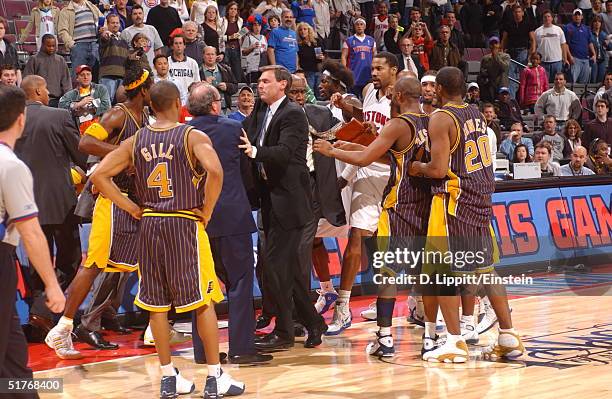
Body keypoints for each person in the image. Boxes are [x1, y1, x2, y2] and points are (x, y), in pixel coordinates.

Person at [91, 80, 244, 398]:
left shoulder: (136, 140)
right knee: (202, 301)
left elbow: (99, 176)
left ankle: (167, 377)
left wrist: (132, 207)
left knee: (156, 305)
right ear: (177, 103)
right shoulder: (192, 135)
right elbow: (215, 171)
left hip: (149, 225)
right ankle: (215, 377)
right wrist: (208, 209)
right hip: (184, 223)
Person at [411, 66, 524, 363]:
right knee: (486, 270)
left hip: (454, 201)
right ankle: (509, 336)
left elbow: (436, 170)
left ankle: (453, 342)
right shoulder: (475, 112)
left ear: (438, 89)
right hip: (481, 199)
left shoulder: (440, 118)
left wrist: (417, 167)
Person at [314, 76, 432, 356]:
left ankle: (386, 338)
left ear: (400, 94)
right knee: (423, 267)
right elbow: (380, 152)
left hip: (396, 200)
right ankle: (432, 334)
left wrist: (332, 150)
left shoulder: (398, 124)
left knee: (388, 272)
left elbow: (370, 156)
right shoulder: (431, 121)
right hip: (422, 202)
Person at [46, 63, 152, 359]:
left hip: (132, 200)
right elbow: (86, 142)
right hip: (111, 199)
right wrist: (122, 154)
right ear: (143, 89)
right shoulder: (118, 113)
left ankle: (157, 325)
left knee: (150, 260)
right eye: (153, 84)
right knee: (92, 265)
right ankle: (64, 327)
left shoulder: (144, 115)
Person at [239, 65, 327, 349]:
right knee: (281, 269)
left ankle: (288, 331)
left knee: (278, 268)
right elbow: (244, 134)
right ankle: (310, 324)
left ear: (282, 85)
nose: (259, 86)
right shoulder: (261, 111)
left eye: (265, 81)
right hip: (269, 199)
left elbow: (285, 153)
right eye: (259, 81)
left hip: (292, 202)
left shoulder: (293, 114)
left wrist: (254, 152)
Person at [187, 83, 271, 365]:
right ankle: (242, 349)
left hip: (194, 220)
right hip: (232, 215)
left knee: (201, 289)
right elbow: (248, 173)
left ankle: (203, 352)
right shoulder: (233, 129)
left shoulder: (181, 133)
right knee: (240, 282)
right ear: (215, 104)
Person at [0, 84, 66, 399]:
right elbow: (31, 232)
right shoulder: (11, 166)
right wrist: (52, 286)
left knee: (14, 365)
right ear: (21, 120)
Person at [325, 52, 397, 333]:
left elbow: (393, 140)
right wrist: (348, 109)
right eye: (373, 67)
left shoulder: (402, 96)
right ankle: (343, 307)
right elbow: (367, 125)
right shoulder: (368, 90)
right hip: (367, 170)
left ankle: (416, 302)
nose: (374, 72)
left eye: (380, 68)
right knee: (356, 236)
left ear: (394, 69)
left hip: (392, 174)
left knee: (399, 245)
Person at [14, 75, 85, 337]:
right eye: (45, 89)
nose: (48, 93)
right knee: (71, 259)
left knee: (36, 261)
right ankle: (43, 310)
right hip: (60, 201)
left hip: (24, 201)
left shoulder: (12, 120)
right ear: (37, 91)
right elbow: (81, 153)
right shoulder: (58, 116)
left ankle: (41, 313)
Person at [23, 34, 71, 108]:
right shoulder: (34, 59)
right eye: (49, 46)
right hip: (38, 101)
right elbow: (28, 81)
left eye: (53, 46)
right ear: (42, 45)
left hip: (57, 100)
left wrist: (68, 99)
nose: (51, 48)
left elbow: (66, 82)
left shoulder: (60, 60)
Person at [57, 0, 102, 77]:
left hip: (95, 44)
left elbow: (102, 19)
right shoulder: (65, 10)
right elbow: (62, 30)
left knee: (95, 75)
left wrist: (103, 29)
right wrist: (72, 45)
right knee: (78, 76)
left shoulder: (91, 6)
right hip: (79, 46)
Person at [501, 4, 536, 99]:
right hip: (510, 52)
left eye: (519, 12)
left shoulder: (528, 24)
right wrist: (502, 51)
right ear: (513, 13)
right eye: (515, 12)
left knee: (523, 78)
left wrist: (532, 53)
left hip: (523, 52)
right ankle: (512, 101)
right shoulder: (508, 25)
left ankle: (524, 100)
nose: (517, 14)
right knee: (511, 78)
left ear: (523, 13)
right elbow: (504, 39)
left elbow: (533, 40)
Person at [121, 4, 164, 71]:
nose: (138, 16)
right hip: (134, 71)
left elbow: (158, 51)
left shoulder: (152, 29)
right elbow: (122, 54)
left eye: (140, 13)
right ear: (131, 16)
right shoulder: (126, 32)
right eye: (135, 14)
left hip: (151, 70)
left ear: (143, 15)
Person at [99, 14, 130, 103]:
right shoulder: (105, 37)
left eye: (117, 23)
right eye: (113, 23)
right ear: (107, 24)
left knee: (121, 104)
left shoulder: (123, 39)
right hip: (108, 75)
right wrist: (104, 33)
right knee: (106, 103)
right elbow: (104, 38)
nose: (115, 25)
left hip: (122, 75)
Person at [342, 18, 376, 96]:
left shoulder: (371, 40)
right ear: (354, 26)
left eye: (361, 24)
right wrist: (344, 72)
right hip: (354, 74)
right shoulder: (348, 40)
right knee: (353, 100)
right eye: (357, 24)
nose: (359, 26)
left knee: (367, 100)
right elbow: (343, 56)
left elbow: (375, 56)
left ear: (365, 26)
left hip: (368, 75)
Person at [199, 46, 238, 111]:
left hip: (224, 109)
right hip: (206, 110)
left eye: (212, 54)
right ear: (203, 56)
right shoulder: (198, 71)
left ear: (216, 56)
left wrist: (227, 86)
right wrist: (204, 85)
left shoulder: (226, 70)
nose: (210, 57)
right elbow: (194, 91)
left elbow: (235, 87)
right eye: (208, 54)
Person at [564, 9, 596, 84]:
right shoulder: (568, 27)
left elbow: (590, 42)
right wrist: (570, 56)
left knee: (584, 84)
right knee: (572, 83)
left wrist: (594, 54)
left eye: (579, 15)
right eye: (575, 15)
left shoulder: (586, 28)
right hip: (574, 59)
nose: (577, 17)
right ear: (572, 16)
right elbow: (565, 44)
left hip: (586, 59)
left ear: (582, 17)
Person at [535, 9, 568, 82]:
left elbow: (563, 44)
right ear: (542, 18)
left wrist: (565, 59)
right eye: (545, 17)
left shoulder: (558, 29)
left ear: (552, 18)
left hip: (557, 62)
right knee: (544, 84)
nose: (547, 18)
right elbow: (535, 47)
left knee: (557, 83)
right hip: (543, 62)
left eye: (548, 16)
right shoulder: (537, 31)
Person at [167, 34, 200, 104]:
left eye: (180, 43)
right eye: (176, 43)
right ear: (172, 46)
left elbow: (197, 83)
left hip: (189, 100)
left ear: (184, 46)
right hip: (172, 99)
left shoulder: (192, 63)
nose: (178, 46)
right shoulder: (166, 62)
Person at [478, 36, 510, 103]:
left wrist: (496, 56)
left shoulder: (506, 56)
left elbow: (504, 67)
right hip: (490, 86)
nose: (494, 45)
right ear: (489, 45)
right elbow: (482, 72)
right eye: (492, 44)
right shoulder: (485, 58)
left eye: (496, 43)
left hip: (502, 85)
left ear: (499, 45)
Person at [220, 2, 244, 82]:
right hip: (226, 49)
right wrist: (229, 37)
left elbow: (244, 30)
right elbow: (219, 37)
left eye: (235, 9)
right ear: (227, 10)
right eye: (231, 9)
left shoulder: (240, 20)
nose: (233, 11)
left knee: (237, 71)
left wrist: (239, 35)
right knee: (226, 71)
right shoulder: (222, 21)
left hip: (236, 49)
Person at [242, 14, 268, 85]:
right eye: (255, 25)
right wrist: (252, 47)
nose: (257, 27)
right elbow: (243, 51)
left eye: (259, 25)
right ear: (251, 26)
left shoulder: (264, 38)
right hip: (252, 68)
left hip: (263, 67)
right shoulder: (249, 37)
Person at [0, 18, 22, 85]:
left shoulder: (11, 48)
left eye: (1, 28)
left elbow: (17, 70)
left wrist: (19, 88)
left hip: (11, 90)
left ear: (4, 30)